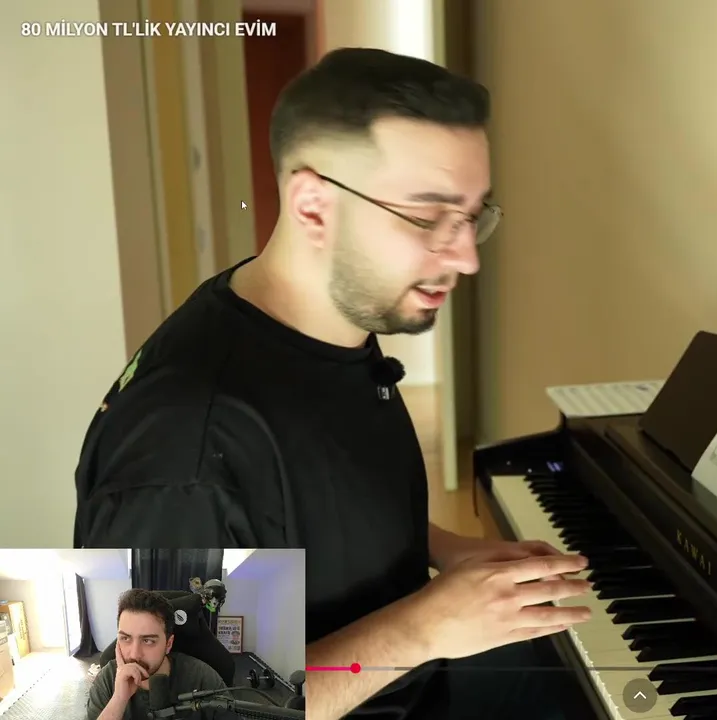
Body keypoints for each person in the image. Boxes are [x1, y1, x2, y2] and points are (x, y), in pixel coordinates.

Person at [73, 48, 592, 719]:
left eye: (473, 216)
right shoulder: (182, 453)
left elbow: (322, 496)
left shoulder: (328, 324)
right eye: (428, 217)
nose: (466, 256)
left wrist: (449, 550)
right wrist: (423, 628)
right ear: (314, 207)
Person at [86, 589, 227, 720]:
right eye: (126, 638)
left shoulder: (203, 679)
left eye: (148, 641)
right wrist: (119, 699)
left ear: (168, 644)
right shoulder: (107, 679)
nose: (134, 654)